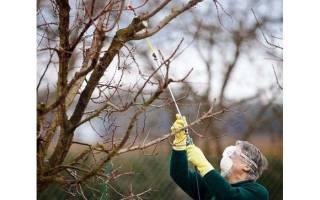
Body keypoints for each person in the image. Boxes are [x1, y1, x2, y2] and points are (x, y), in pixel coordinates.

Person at [170, 114, 269, 200]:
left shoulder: (258, 193)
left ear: (247, 166)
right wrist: (179, 143)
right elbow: (179, 175)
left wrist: (204, 165)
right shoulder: (212, 186)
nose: (227, 156)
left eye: (234, 153)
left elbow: (230, 197)